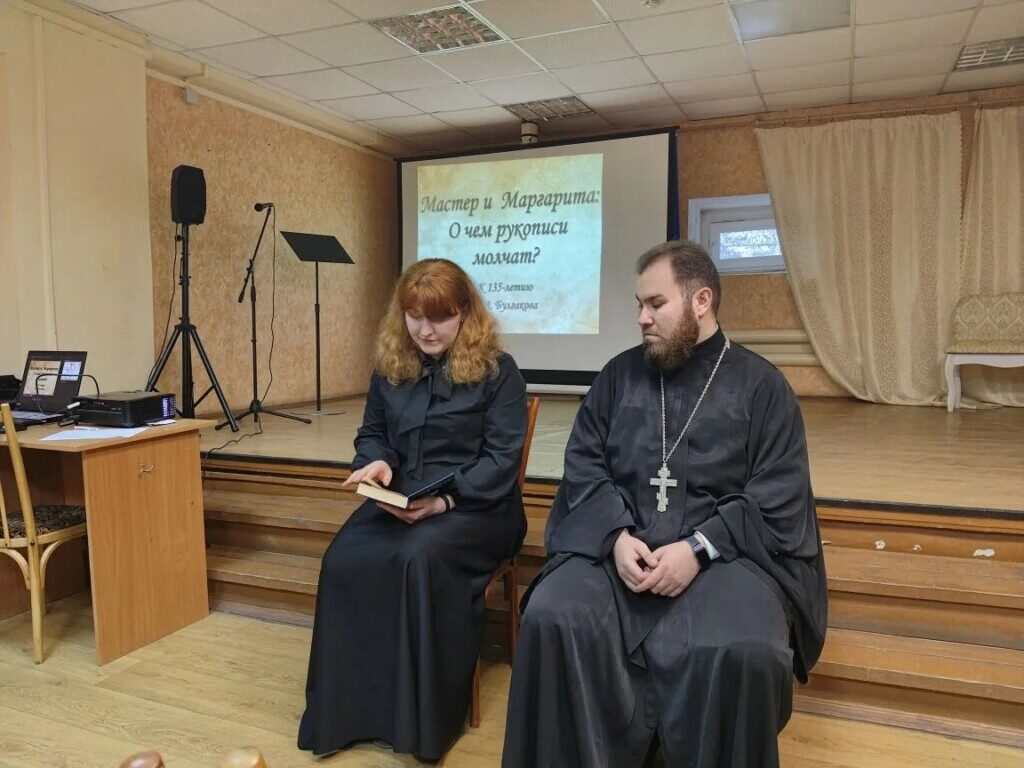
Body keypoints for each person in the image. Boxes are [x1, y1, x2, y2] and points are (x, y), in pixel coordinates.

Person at [503, 240, 827, 768]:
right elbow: (584, 466)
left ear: (701, 301)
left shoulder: (762, 387)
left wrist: (699, 548)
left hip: (726, 556)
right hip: (622, 553)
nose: (641, 318)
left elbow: (778, 493)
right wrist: (615, 537)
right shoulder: (617, 377)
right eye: (639, 304)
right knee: (552, 615)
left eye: (655, 304)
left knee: (745, 648)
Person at [299, 258, 527, 761]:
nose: (426, 330)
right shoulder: (391, 368)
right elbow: (372, 434)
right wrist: (377, 462)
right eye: (415, 316)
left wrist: (446, 500)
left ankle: (417, 724)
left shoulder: (498, 371)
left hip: (478, 506)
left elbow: (501, 461)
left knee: (417, 558)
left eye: (440, 317)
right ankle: (351, 715)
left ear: (465, 313)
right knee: (341, 559)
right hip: (404, 498)